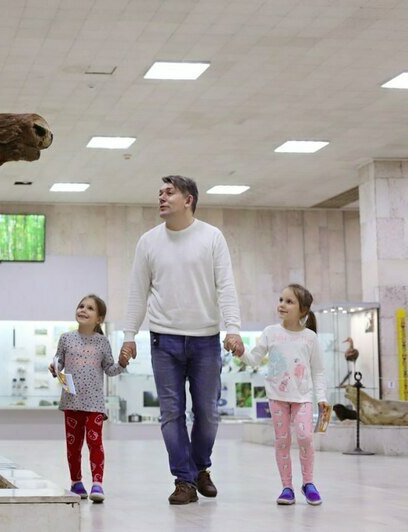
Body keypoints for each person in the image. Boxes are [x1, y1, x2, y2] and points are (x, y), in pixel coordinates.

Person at [122, 175, 243, 505]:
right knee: (171, 414)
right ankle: (184, 481)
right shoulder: (148, 241)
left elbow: (226, 286)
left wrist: (233, 328)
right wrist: (129, 336)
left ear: (188, 200)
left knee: (207, 413)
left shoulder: (211, 237)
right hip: (164, 341)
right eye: (159, 192)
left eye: (169, 192)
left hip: (206, 340)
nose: (161, 197)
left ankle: (200, 467)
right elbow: (137, 292)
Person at [235, 284, 328, 506]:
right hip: (277, 397)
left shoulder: (310, 338)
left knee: (305, 436)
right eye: (281, 300)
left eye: (289, 301)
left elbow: (318, 370)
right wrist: (240, 352)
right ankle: (287, 487)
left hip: (303, 398)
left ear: (303, 310)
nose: (282, 305)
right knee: (283, 441)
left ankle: (308, 483)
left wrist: (321, 398)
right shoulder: (271, 332)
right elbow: (254, 359)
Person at [49, 294, 130, 503]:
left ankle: (97, 483)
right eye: (81, 306)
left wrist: (121, 363)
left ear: (99, 319)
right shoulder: (66, 338)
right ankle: (76, 482)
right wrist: (54, 368)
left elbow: (110, 370)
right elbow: (58, 363)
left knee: (95, 443)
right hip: (71, 402)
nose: (83, 310)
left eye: (90, 308)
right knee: (73, 446)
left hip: (94, 404)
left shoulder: (103, 342)